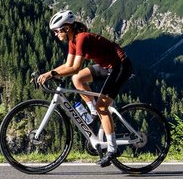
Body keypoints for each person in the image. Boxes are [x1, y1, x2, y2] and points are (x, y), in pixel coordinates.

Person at [36, 10, 133, 167]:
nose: (55, 34)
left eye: (57, 31)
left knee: (102, 107)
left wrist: (51, 74)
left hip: (120, 66)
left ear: (66, 28)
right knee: (77, 79)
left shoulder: (81, 38)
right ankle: (93, 110)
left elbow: (75, 67)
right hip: (107, 66)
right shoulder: (72, 41)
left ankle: (112, 149)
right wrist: (49, 73)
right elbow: (68, 65)